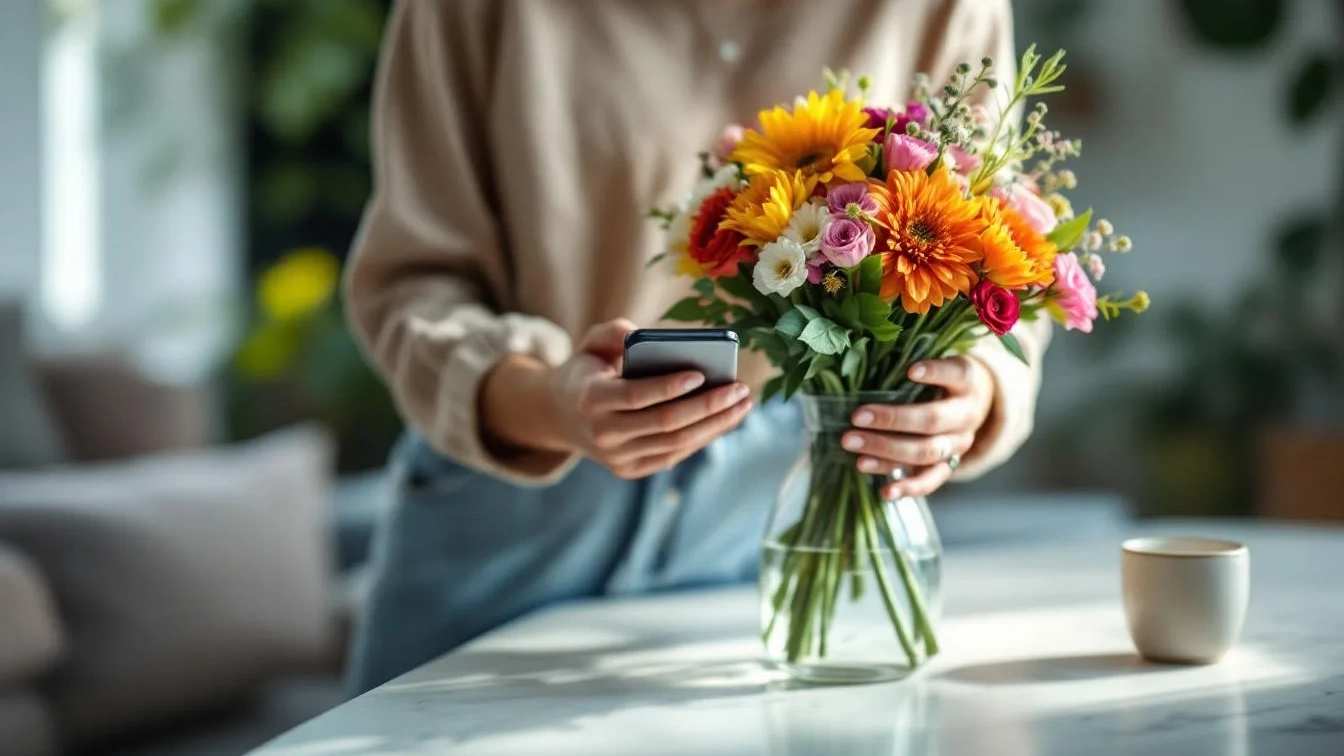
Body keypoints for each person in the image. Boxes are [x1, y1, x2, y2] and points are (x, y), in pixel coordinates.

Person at [344, 0, 1048, 694]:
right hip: (515, 515)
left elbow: (1003, 243)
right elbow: (413, 282)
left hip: (789, 511)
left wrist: (972, 388)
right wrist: (550, 400)